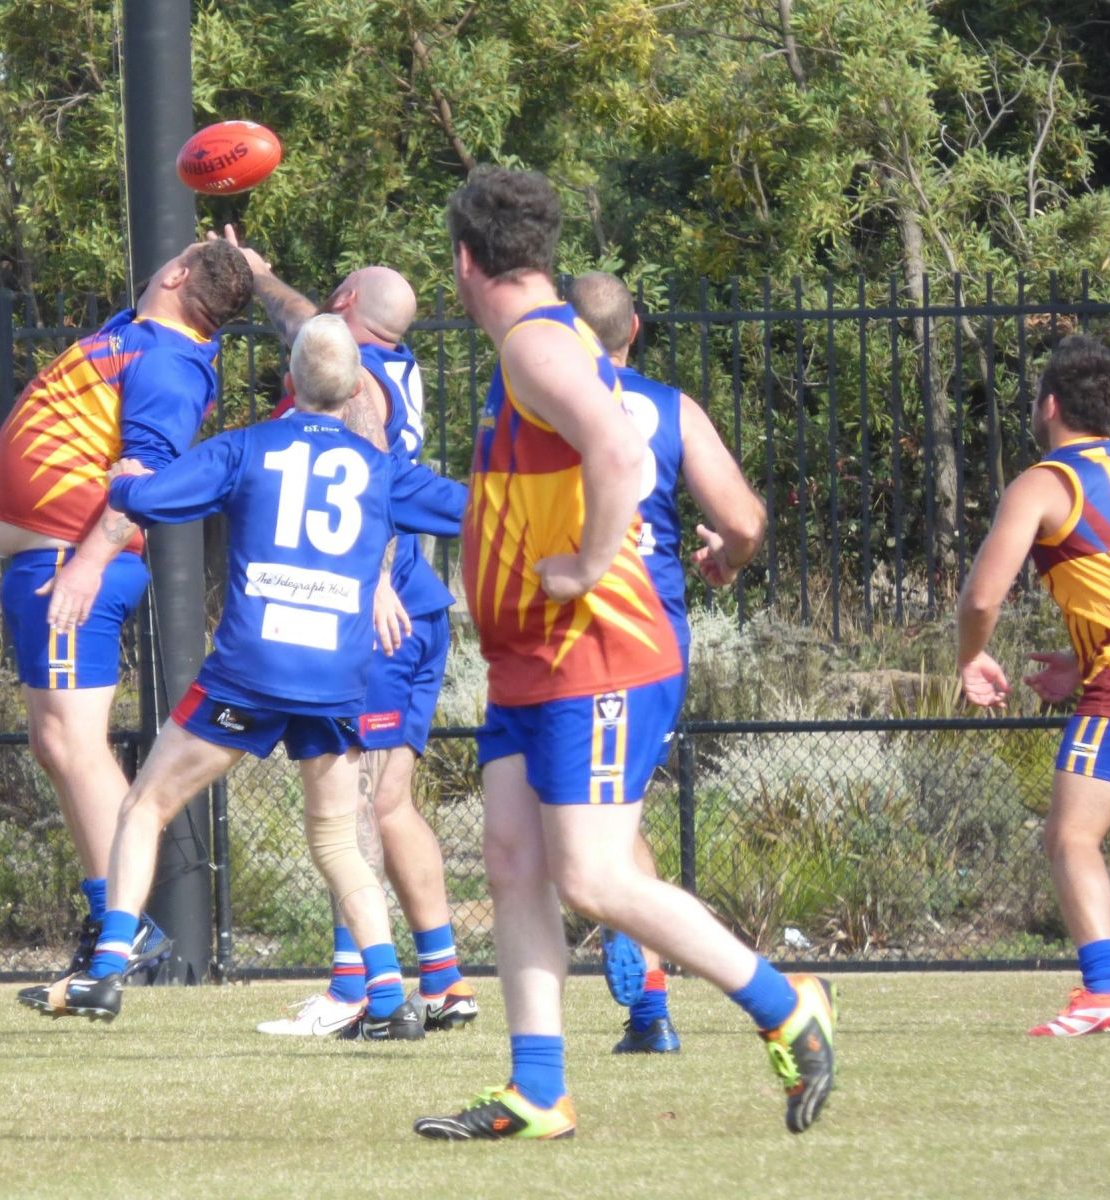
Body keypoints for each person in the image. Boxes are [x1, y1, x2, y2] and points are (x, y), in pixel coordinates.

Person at [413, 166, 834, 1142]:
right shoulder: (544, 337)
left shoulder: (532, 343)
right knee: (513, 861)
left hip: (594, 652)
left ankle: (786, 1006)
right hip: (531, 661)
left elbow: (615, 450)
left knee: (594, 878)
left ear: (464, 260)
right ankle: (538, 1090)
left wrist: (584, 564)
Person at [17, 315, 468, 1040]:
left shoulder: (247, 447)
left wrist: (124, 484)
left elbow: (153, 500)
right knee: (337, 841)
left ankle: (106, 970)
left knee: (145, 805)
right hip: (335, 677)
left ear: (288, 382)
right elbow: (469, 510)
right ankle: (387, 995)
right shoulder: (381, 469)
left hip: (250, 672)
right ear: (356, 389)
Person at [0, 234, 254, 990]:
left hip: (74, 563)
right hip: (49, 560)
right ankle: (111, 917)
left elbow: (144, 476)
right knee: (55, 743)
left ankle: (123, 926)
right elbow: (181, 303)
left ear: (176, 272)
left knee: (74, 742)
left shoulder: (167, 363)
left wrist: (88, 562)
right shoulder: (136, 336)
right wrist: (242, 271)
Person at [226, 231, 478, 1037]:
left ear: (342, 307)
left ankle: (355, 988)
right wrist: (263, 278)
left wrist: (371, 581)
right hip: (419, 608)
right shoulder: (389, 365)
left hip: (383, 610)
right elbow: (304, 323)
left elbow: (368, 480)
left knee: (355, 809)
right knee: (391, 805)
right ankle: (442, 981)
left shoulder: (359, 387)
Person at [567, 271, 766, 1054]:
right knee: (599, 815)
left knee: (597, 828)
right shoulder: (671, 407)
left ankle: (663, 998)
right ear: (635, 330)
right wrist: (728, 559)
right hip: (646, 627)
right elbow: (742, 520)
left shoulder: (540, 398)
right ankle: (644, 1002)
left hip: (592, 625)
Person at [957, 333, 1110, 1037]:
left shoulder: (1044, 482)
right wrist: (1082, 654)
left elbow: (981, 598)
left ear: (1051, 405)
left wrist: (972, 657)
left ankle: (1105, 989)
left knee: (1070, 838)